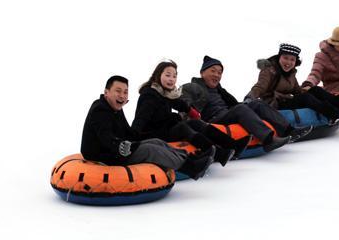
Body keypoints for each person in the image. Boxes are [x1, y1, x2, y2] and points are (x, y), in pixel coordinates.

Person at [80, 75, 214, 180]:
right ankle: (191, 168)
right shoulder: (100, 110)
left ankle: (190, 160)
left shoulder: (115, 108)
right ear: (106, 92)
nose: (122, 96)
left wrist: (146, 135)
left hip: (118, 149)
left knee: (155, 141)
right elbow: (105, 136)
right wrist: (119, 145)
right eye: (118, 91)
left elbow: (127, 132)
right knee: (150, 150)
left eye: (125, 92)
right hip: (104, 155)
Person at [182, 56, 308, 153]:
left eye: (219, 72)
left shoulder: (219, 89)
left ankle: (288, 130)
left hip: (226, 114)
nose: (217, 75)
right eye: (213, 71)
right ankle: (268, 140)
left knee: (256, 103)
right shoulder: (191, 87)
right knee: (240, 109)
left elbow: (234, 103)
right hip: (212, 120)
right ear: (202, 72)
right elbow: (184, 107)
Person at [133, 60, 247, 165]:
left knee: (196, 123)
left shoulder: (166, 93)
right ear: (158, 76)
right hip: (152, 134)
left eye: (174, 76)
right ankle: (217, 154)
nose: (171, 79)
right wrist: (132, 141)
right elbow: (140, 120)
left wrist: (191, 111)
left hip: (165, 128)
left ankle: (233, 145)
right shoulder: (149, 96)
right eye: (167, 75)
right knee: (182, 128)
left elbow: (179, 104)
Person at [246, 43, 339, 125]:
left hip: (286, 100)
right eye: (285, 58)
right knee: (306, 98)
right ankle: (334, 115)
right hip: (275, 103)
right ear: (279, 57)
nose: (288, 62)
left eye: (292, 60)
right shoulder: (269, 70)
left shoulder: (290, 73)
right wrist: (250, 96)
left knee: (315, 90)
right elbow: (260, 86)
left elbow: (296, 90)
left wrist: (309, 88)